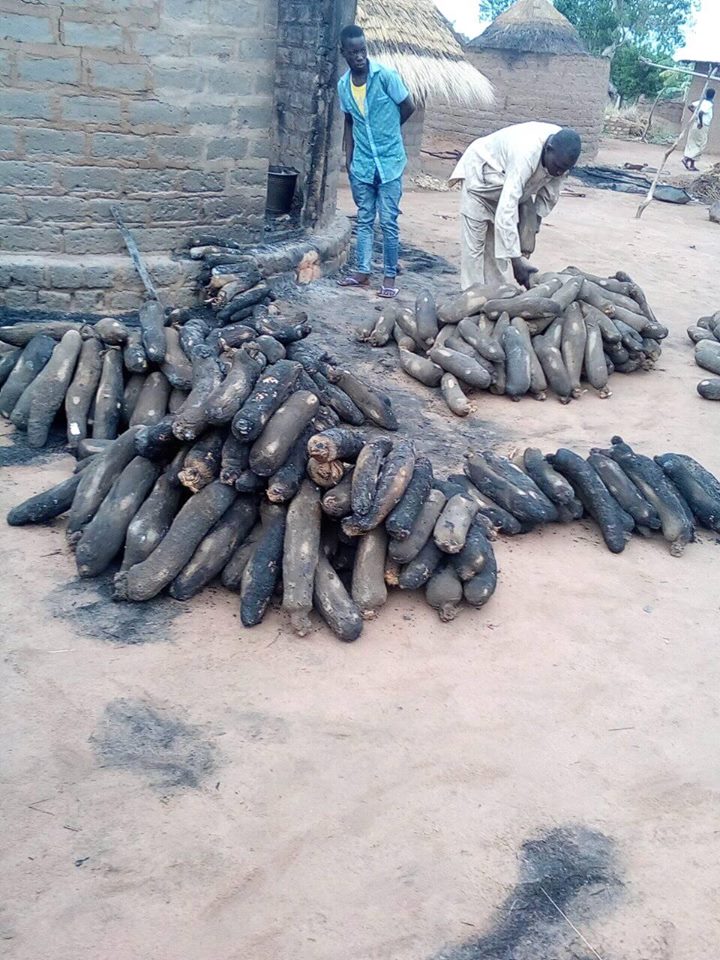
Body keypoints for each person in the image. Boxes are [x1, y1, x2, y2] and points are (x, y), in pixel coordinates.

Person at [449, 122, 582, 290]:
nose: (558, 173)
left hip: (505, 188)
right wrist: (517, 262)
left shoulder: (562, 156)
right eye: (556, 167)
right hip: (479, 182)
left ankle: (497, 295)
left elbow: (549, 196)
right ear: (548, 149)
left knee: (497, 252)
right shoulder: (525, 153)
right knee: (474, 251)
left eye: (563, 170)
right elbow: (507, 210)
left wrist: (530, 231)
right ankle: (470, 295)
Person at [336, 24, 415, 299]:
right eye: (353, 52)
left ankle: (389, 277)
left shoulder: (385, 77)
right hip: (363, 165)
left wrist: (390, 130)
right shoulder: (343, 86)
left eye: (363, 50)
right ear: (344, 52)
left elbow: (408, 106)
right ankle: (362, 271)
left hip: (390, 162)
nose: (359, 56)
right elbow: (349, 122)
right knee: (365, 218)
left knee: (389, 221)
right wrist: (349, 158)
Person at [683, 88, 715, 172]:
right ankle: (686, 159)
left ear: (706, 94)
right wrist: (700, 121)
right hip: (702, 126)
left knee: (694, 143)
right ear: (713, 96)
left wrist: (695, 114)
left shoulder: (701, 101)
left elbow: (690, 106)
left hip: (696, 124)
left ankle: (692, 164)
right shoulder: (708, 104)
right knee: (701, 145)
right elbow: (701, 112)